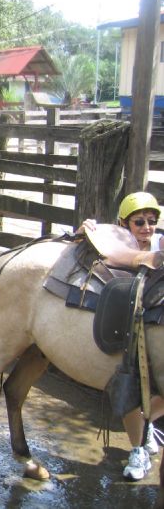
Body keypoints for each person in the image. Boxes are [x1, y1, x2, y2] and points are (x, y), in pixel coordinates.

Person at [78, 191, 164, 481]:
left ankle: (147, 422)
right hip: (127, 313)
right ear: (124, 224)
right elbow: (96, 241)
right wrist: (83, 231)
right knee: (131, 374)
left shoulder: (160, 243)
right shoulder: (112, 238)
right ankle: (137, 448)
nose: (147, 227)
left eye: (152, 221)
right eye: (139, 222)